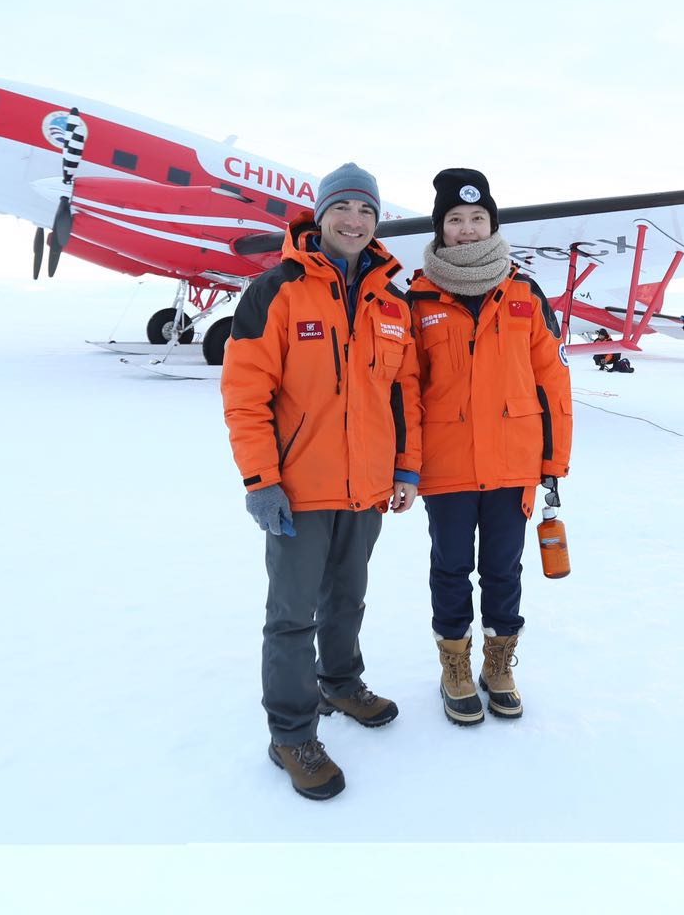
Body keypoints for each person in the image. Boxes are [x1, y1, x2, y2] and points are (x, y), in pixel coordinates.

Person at [221, 162, 422, 801]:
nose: (354, 220)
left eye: (366, 210)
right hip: (298, 490)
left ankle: (340, 683)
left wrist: (406, 467)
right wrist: (260, 480)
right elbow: (245, 392)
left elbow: (403, 393)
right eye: (343, 208)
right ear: (320, 213)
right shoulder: (275, 290)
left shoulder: (393, 299)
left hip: (366, 487)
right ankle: (290, 733)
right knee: (291, 616)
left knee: (348, 598)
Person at [406, 167, 573, 725]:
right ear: (441, 229)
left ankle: (498, 664)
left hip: (512, 463)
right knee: (450, 568)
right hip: (446, 464)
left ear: (493, 224)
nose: (469, 229)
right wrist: (405, 464)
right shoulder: (417, 298)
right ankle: (455, 667)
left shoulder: (526, 294)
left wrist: (553, 461)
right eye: (456, 220)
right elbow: (405, 388)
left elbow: (553, 382)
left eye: (479, 219)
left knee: (503, 569)